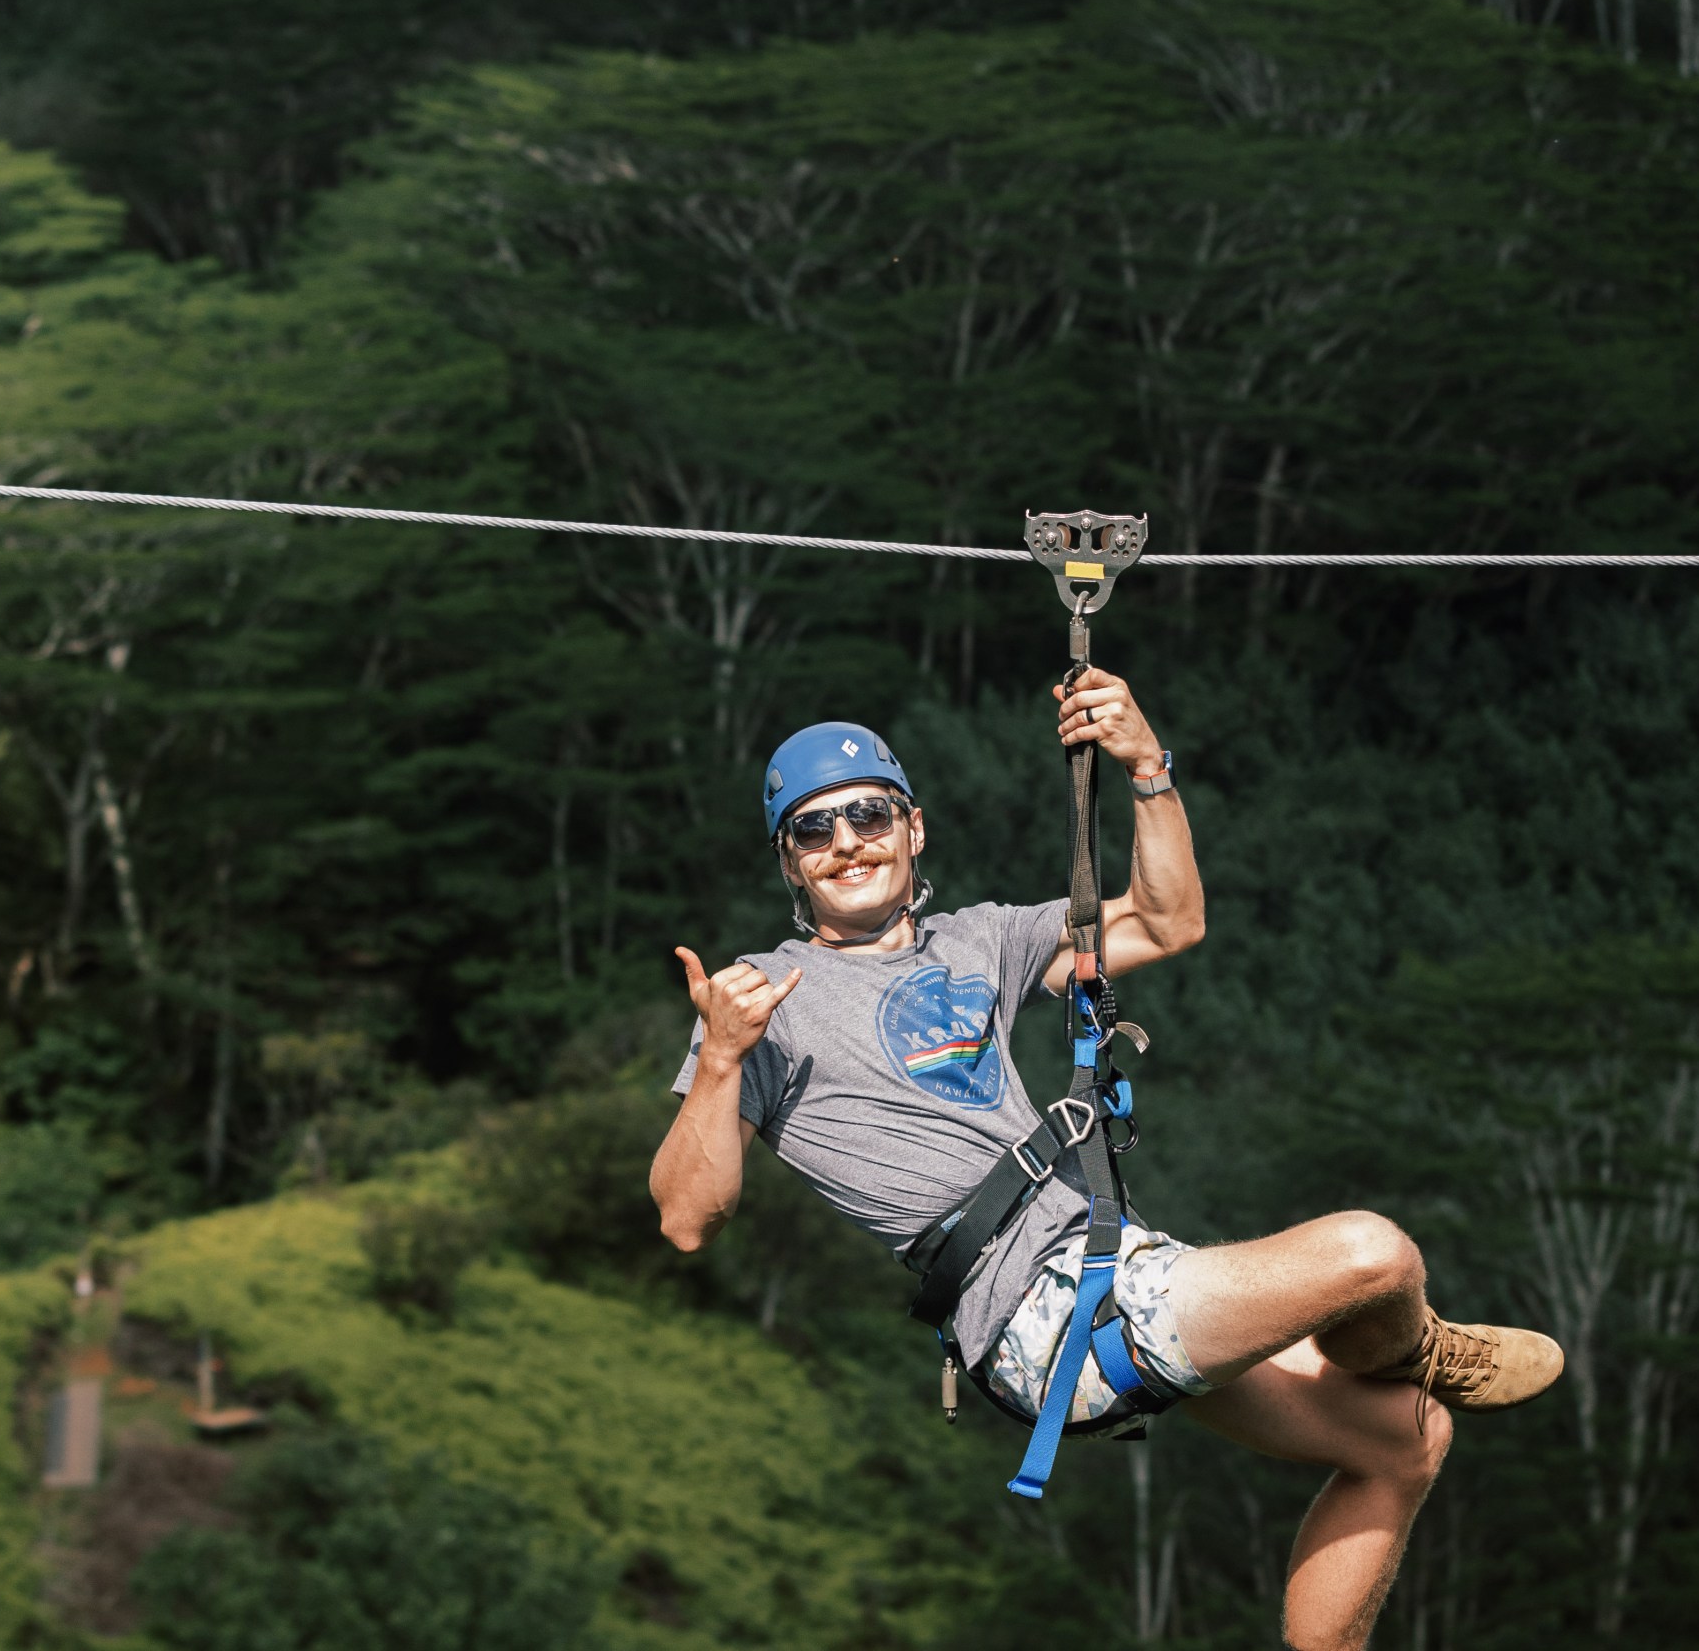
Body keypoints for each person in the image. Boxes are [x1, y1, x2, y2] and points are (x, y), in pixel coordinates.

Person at [649, 671, 1563, 1650]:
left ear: (913, 828)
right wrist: (723, 1063)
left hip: (1113, 1265)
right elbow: (686, 1218)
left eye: (868, 814)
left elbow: (1167, 922)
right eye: (813, 832)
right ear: (791, 867)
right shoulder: (762, 1004)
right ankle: (1412, 1342)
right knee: (1371, 1255)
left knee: (1407, 1440)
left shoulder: (981, 941)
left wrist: (1146, 768)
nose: (846, 844)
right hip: (1037, 1324)